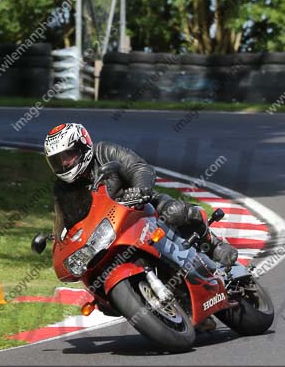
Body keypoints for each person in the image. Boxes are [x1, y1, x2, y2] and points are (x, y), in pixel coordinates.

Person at [44, 122, 238, 329]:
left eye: (68, 155)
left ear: (83, 147)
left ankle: (213, 244)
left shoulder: (103, 152)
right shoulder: (62, 188)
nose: (64, 164)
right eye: (57, 161)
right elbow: (69, 218)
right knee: (92, 270)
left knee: (174, 211)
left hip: (138, 206)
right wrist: (61, 236)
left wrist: (141, 188)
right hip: (109, 228)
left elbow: (137, 167)